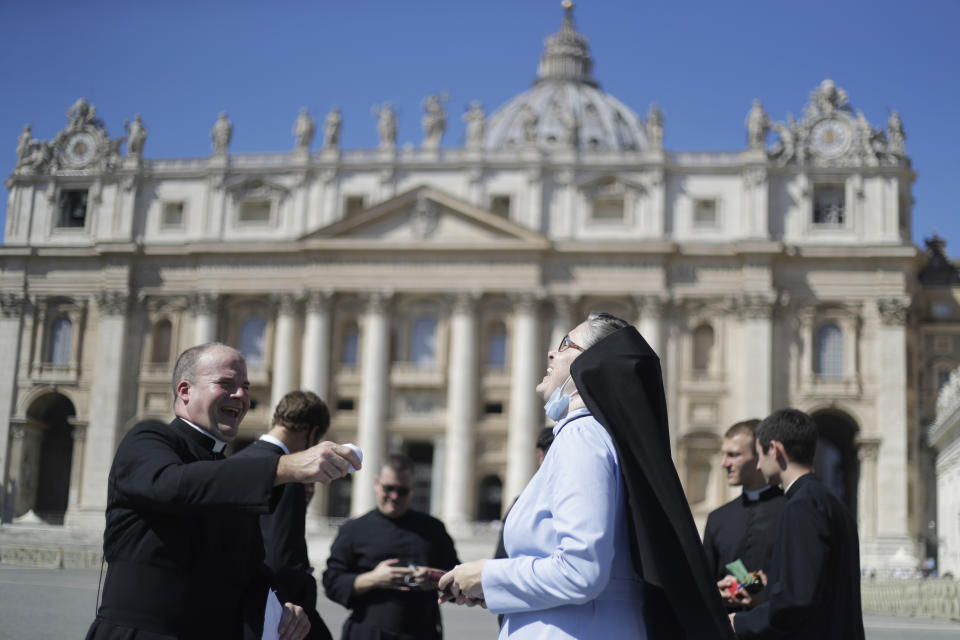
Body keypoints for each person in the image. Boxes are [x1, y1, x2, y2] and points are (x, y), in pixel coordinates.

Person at [439, 312, 734, 640]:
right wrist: (498, 589)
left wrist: (488, 576)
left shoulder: (580, 436)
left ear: (593, 363)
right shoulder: (593, 436)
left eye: (566, 344)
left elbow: (581, 570)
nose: (552, 353)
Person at [85, 343, 361, 640]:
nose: (241, 396)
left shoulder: (226, 471)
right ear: (185, 390)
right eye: (226, 384)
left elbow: (251, 570)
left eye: (245, 386)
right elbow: (172, 485)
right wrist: (285, 467)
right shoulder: (149, 439)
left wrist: (286, 609)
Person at [730, 408, 865, 639]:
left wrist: (739, 622)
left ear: (775, 449)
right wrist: (767, 593)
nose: (759, 466)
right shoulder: (831, 502)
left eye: (760, 455)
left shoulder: (800, 506)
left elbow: (796, 602)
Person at [323, 454, 459, 640]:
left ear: (412, 489)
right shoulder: (353, 529)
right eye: (388, 488)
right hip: (368, 634)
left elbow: (457, 577)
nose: (394, 496)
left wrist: (434, 577)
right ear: (377, 484)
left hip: (421, 632)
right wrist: (373, 579)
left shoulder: (433, 529)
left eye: (402, 491)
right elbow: (332, 583)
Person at [235, 390, 334, 640]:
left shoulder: (234, 463)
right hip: (273, 615)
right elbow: (283, 557)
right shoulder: (289, 475)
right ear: (312, 433)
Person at [702, 420, 786, 609]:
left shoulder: (791, 510)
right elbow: (703, 581)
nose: (724, 464)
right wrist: (717, 591)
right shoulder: (717, 518)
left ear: (760, 455)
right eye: (724, 455)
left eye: (734, 455)